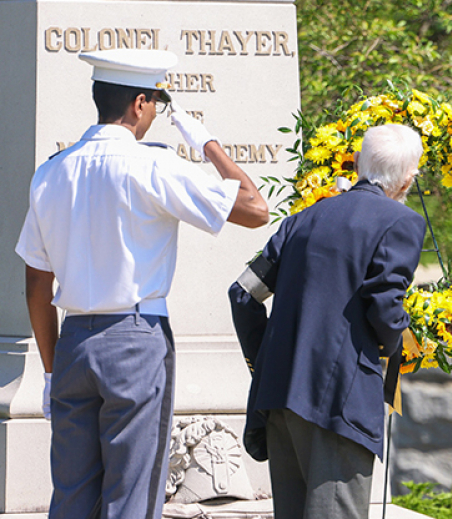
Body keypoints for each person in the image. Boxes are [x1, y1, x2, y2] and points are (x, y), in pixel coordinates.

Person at [15, 48, 269, 519]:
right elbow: (255, 209)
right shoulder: (154, 165)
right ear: (138, 104)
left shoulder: (51, 172)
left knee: (71, 495)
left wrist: (51, 371)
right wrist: (207, 143)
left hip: (71, 344)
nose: (154, 112)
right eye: (155, 102)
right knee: (131, 495)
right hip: (134, 340)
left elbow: (35, 284)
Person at [229, 124, 426, 519]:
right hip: (338, 405)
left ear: (356, 164)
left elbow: (243, 294)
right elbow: (385, 306)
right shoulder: (401, 222)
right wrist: (400, 345)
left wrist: (263, 362)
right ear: (408, 178)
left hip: (280, 397)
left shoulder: (302, 220)